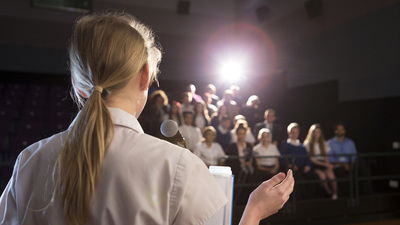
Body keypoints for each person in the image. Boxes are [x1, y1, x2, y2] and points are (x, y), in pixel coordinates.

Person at [0, 12, 294, 225]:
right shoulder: (179, 168)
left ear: (78, 85)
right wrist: (253, 212)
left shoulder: (29, 162)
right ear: (145, 75)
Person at [304, 124, 338, 200]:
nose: (316, 134)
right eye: (315, 132)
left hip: (323, 163)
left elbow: (326, 156)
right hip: (315, 165)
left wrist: (328, 164)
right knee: (322, 176)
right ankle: (328, 192)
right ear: (311, 133)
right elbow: (312, 159)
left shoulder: (323, 143)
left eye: (318, 132)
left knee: (331, 175)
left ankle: (335, 194)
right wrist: (324, 164)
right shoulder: (307, 144)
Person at [327, 122, 357, 195]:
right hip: (337, 165)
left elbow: (354, 156)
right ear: (335, 131)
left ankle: (363, 194)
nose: (340, 131)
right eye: (338, 129)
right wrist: (343, 164)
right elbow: (330, 158)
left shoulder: (350, 142)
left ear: (345, 131)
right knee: (340, 171)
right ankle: (346, 195)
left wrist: (351, 165)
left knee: (361, 170)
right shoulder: (329, 143)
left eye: (342, 129)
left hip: (350, 164)